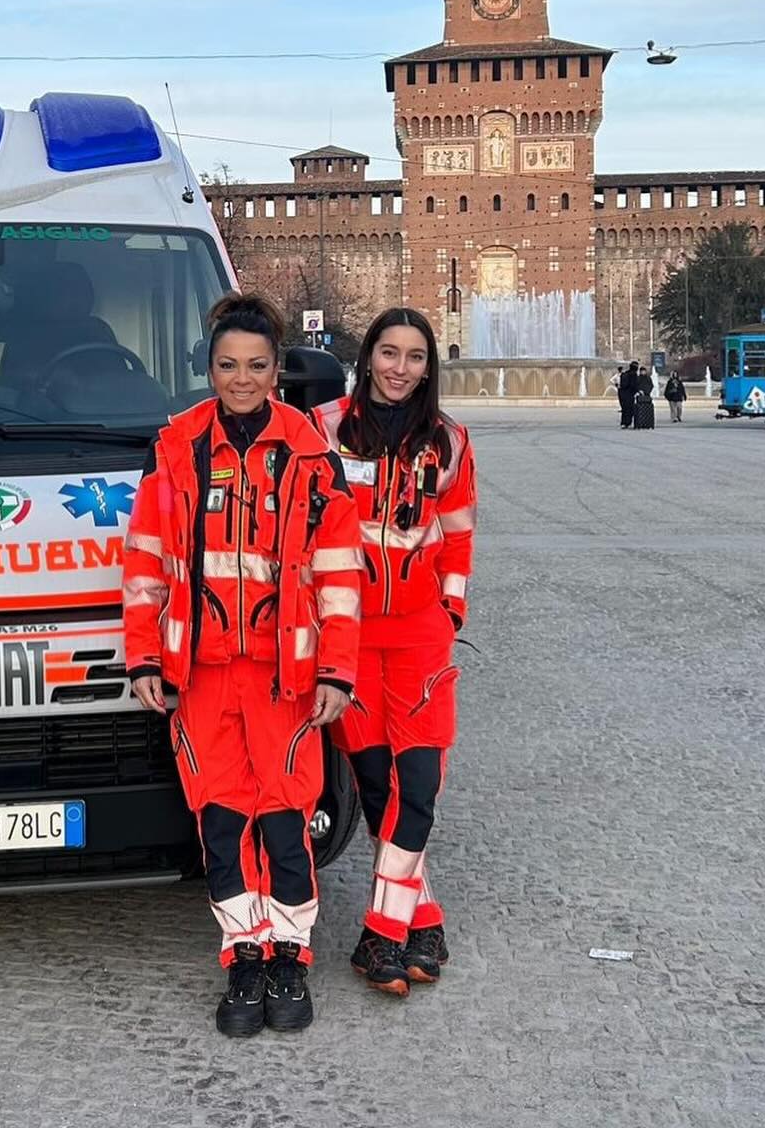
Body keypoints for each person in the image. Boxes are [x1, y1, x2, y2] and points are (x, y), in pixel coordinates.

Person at [122, 293, 362, 1038]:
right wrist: (143, 656)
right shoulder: (176, 448)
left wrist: (337, 671)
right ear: (209, 367)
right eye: (228, 365)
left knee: (286, 823)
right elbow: (145, 563)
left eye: (256, 366)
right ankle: (243, 955)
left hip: (286, 677)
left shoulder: (311, 453)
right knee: (222, 823)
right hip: (200, 676)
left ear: (277, 368)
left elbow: (340, 573)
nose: (242, 379)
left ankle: (290, 955)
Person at [314, 307, 475, 998]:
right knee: (378, 786)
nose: (399, 368)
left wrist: (450, 610)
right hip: (348, 636)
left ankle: (381, 931)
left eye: (414, 356)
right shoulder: (322, 429)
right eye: (388, 352)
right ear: (368, 356)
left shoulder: (449, 441)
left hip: (418, 635)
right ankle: (424, 919)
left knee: (420, 784)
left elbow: (459, 535)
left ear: (428, 366)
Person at [616, 361, 639, 430]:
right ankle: (628, 423)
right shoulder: (633, 374)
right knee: (630, 409)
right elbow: (633, 385)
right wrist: (637, 391)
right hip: (629, 394)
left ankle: (623, 423)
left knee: (624, 409)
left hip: (622, 393)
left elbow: (621, 384)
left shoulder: (625, 374)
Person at [633, 363, 656, 430]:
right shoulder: (638, 378)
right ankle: (640, 423)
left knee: (647, 411)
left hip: (647, 396)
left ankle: (647, 423)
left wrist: (647, 391)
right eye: (642, 371)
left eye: (644, 371)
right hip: (640, 396)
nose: (643, 372)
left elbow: (651, 385)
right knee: (639, 411)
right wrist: (639, 391)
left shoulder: (648, 378)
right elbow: (635, 386)